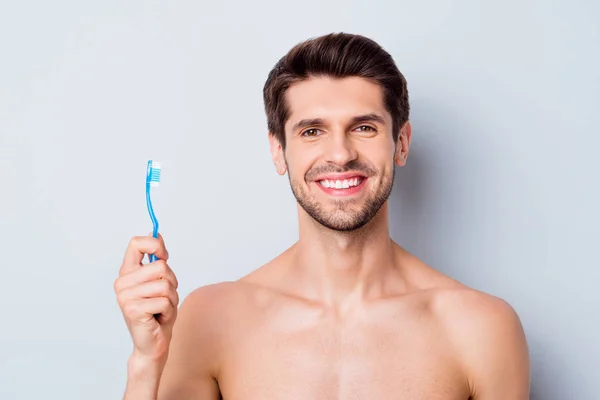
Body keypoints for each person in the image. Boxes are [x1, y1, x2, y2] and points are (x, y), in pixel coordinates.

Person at [114, 32, 530, 399]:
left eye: (364, 127)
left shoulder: (481, 330)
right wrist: (146, 362)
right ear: (278, 150)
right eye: (312, 131)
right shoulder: (210, 319)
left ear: (401, 143)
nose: (340, 154)